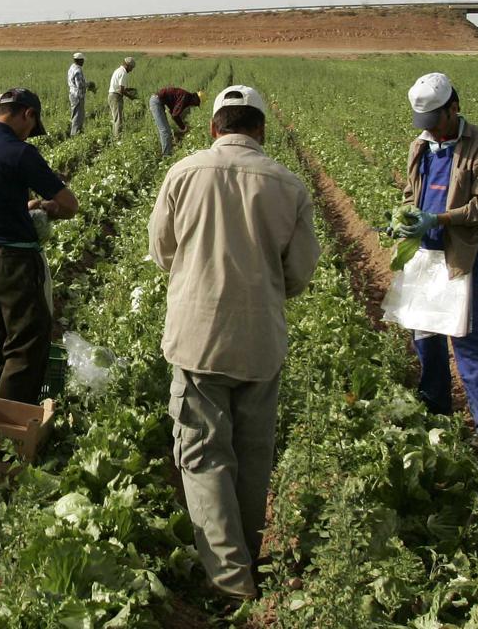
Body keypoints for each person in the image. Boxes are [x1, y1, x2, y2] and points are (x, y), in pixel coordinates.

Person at [148, 85, 320, 600]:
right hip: (260, 339)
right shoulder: (288, 185)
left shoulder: (183, 174)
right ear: (261, 130)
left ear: (213, 127)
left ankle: (229, 581)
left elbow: (162, 251)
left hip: (197, 340)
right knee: (252, 452)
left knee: (203, 455)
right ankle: (246, 552)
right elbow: (300, 271)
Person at [0, 88, 79, 404]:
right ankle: (7, 433)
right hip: (15, 262)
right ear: (27, 114)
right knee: (26, 344)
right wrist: (47, 209)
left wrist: (16, 206)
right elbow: (69, 204)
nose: (30, 135)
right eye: (32, 126)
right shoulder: (20, 153)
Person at [397, 73, 478, 448]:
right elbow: (409, 192)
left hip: (465, 254)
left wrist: (441, 219)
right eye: (425, 125)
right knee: (425, 335)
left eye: (436, 121)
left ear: (454, 108)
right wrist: (403, 217)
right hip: (425, 254)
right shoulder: (420, 145)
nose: (430, 130)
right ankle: (436, 411)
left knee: (467, 339)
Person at [149, 87, 202, 157]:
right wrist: (183, 127)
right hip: (156, 102)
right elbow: (175, 115)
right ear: (195, 100)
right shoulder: (185, 97)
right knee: (165, 131)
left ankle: (169, 150)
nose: (194, 106)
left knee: (166, 130)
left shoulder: (186, 96)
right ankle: (166, 156)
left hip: (159, 101)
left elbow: (173, 111)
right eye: (196, 104)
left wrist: (182, 126)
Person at [107, 56, 138, 140]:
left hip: (112, 95)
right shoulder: (123, 73)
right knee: (118, 119)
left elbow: (119, 87)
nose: (131, 70)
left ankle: (116, 136)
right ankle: (117, 139)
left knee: (116, 118)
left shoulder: (118, 70)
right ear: (128, 65)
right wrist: (131, 97)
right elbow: (121, 90)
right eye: (131, 68)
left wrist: (129, 89)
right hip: (116, 96)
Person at [66, 52, 94, 136]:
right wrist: (89, 84)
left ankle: (76, 132)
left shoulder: (72, 67)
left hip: (72, 93)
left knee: (75, 114)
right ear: (79, 60)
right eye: (82, 60)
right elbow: (80, 85)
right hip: (77, 96)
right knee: (78, 116)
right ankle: (75, 134)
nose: (83, 62)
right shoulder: (78, 70)